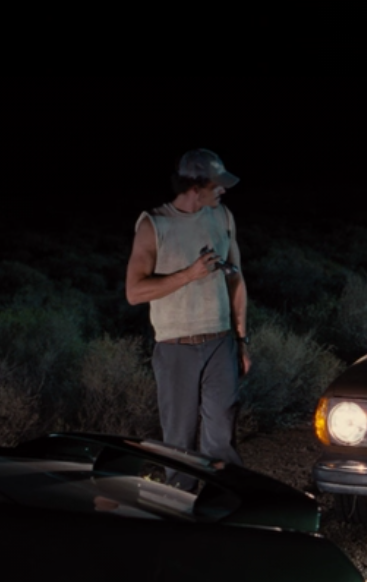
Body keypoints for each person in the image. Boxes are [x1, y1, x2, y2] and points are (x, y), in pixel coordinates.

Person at [125, 148, 250, 492]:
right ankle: (181, 509)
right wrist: (189, 275)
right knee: (178, 442)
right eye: (217, 184)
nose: (223, 190)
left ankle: (226, 504)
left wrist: (241, 340)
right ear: (195, 186)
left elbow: (236, 280)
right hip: (176, 346)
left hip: (220, 343)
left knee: (221, 437)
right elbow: (134, 292)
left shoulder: (222, 217)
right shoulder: (154, 224)